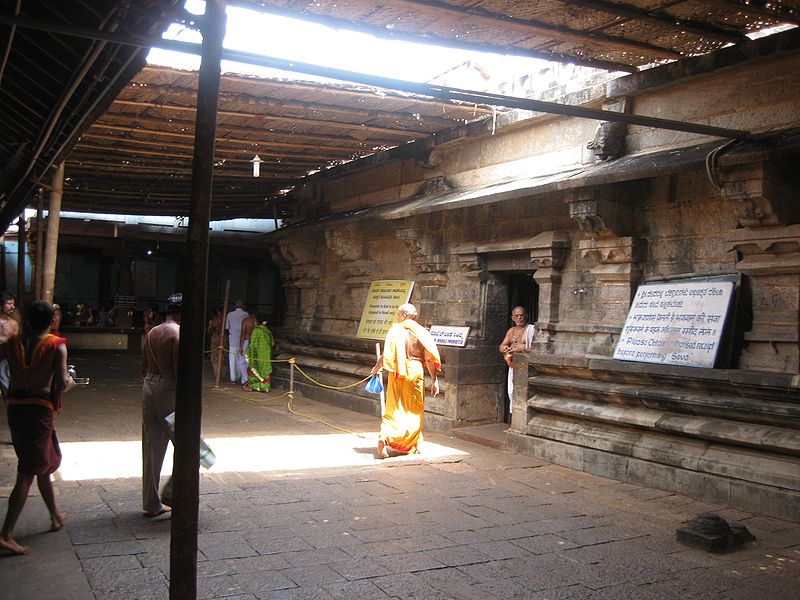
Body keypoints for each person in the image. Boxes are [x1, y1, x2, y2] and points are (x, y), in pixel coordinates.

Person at [0, 301, 76, 555]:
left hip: (16, 405)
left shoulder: (13, 342)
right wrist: (71, 383)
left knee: (41, 461)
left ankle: (54, 514)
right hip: (39, 408)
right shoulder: (57, 345)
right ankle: (6, 533)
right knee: (27, 471)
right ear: (52, 320)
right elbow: (62, 382)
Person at [371, 303, 441, 458]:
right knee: (414, 409)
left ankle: (384, 438)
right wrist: (435, 380)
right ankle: (413, 442)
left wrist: (376, 368)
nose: (397, 317)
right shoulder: (422, 332)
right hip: (415, 371)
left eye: (398, 314)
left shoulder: (396, 330)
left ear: (403, 315)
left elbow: (386, 354)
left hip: (397, 372)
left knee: (394, 408)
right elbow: (429, 359)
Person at [140, 293, 182, 517]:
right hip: (168, 388)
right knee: (191, 444)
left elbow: (143, 367)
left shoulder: (153, 332)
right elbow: (177, 372)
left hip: (149, 385)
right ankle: (173, 492)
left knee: (152, 445)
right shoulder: (178, 333)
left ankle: (151, 502)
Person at [498, 306, 535, 414]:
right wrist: (504, 348)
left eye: (522, 315)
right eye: (517, 316)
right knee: (511, 391)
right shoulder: (511, 331)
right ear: (512, 318)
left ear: (526, 316)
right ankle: (514, 417)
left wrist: (522, 348)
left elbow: (539, 349)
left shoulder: (532, 329)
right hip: (514, 365)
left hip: (527, 365)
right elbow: (502, 345)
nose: (520, 318)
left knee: (526, 392)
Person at [244, 315, 274, 392]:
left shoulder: (256, 331)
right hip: (266, 355)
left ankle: (255, 386)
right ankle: (265, 386)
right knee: (265, 368)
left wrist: (248, 352)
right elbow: (272, 343)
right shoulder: (268, 331)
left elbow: (252, 344)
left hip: (257, 355)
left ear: (256, 321)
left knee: (254, 367)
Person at [0, 292, 21, 400]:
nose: (12, 306)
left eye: (13, 304)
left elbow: (16, 345)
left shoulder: (13, 324)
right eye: (9, 303)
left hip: (5, 362)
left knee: (7, 392)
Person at [224, 300, 248, 384]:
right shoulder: (246, 315)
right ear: (242, 306)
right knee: (243, 360)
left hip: (233, 340)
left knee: (232, 360)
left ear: (235, 306)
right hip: (244, 341)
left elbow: (227, 327)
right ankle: (243, 378)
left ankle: (233, 378)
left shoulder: (229, 315)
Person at [238, 306, 257, 386]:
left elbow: (243, 334)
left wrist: (241, 346)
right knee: (251, 362)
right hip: (254, 343)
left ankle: (245, 380)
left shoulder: (246, 321)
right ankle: (251, 380)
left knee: (241, 362)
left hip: (246, 342)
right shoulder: (256, 322)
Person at [207, 306, 227, 380]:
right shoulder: (224, 320)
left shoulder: (213, 321)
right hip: (223, 338)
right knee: (223, 356)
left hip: (215, 338)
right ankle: (221, 375)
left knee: (216, 357)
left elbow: (209, 330)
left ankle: (218, 375)